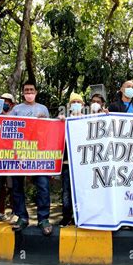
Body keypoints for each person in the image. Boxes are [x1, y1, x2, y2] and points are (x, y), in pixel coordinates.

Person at [9, 80, 53, 236]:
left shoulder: (43, 109)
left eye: (31, 90)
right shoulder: (16, 109)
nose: (29, 92)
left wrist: (45, 122)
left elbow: (50, 130)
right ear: (23, 93)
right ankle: (22, 217)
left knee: (43, 185)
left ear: (36, 92)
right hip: (19, 153)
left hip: (39, 154)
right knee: (17, 186)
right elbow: (7, 126)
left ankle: (43, 219)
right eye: (26, 90)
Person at [58, 92, 85, 227]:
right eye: (73, 102)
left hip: (83, 163)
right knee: (66, 192)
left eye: (78, 102)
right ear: (69, 106)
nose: (76, 105)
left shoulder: (89, 120)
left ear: (83, 105)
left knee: (82, 191)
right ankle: (66, 217)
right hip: (67, 163)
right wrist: (60, 121)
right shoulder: (64, 121)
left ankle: (80, 216)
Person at [0, 92, 16, 221]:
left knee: (12, 186)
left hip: (12, 157)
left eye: (7, 101)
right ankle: (1, 211)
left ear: (12, 104)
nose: (5, 104)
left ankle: (13, 211)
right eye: (2, 101)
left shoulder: (17, 116)